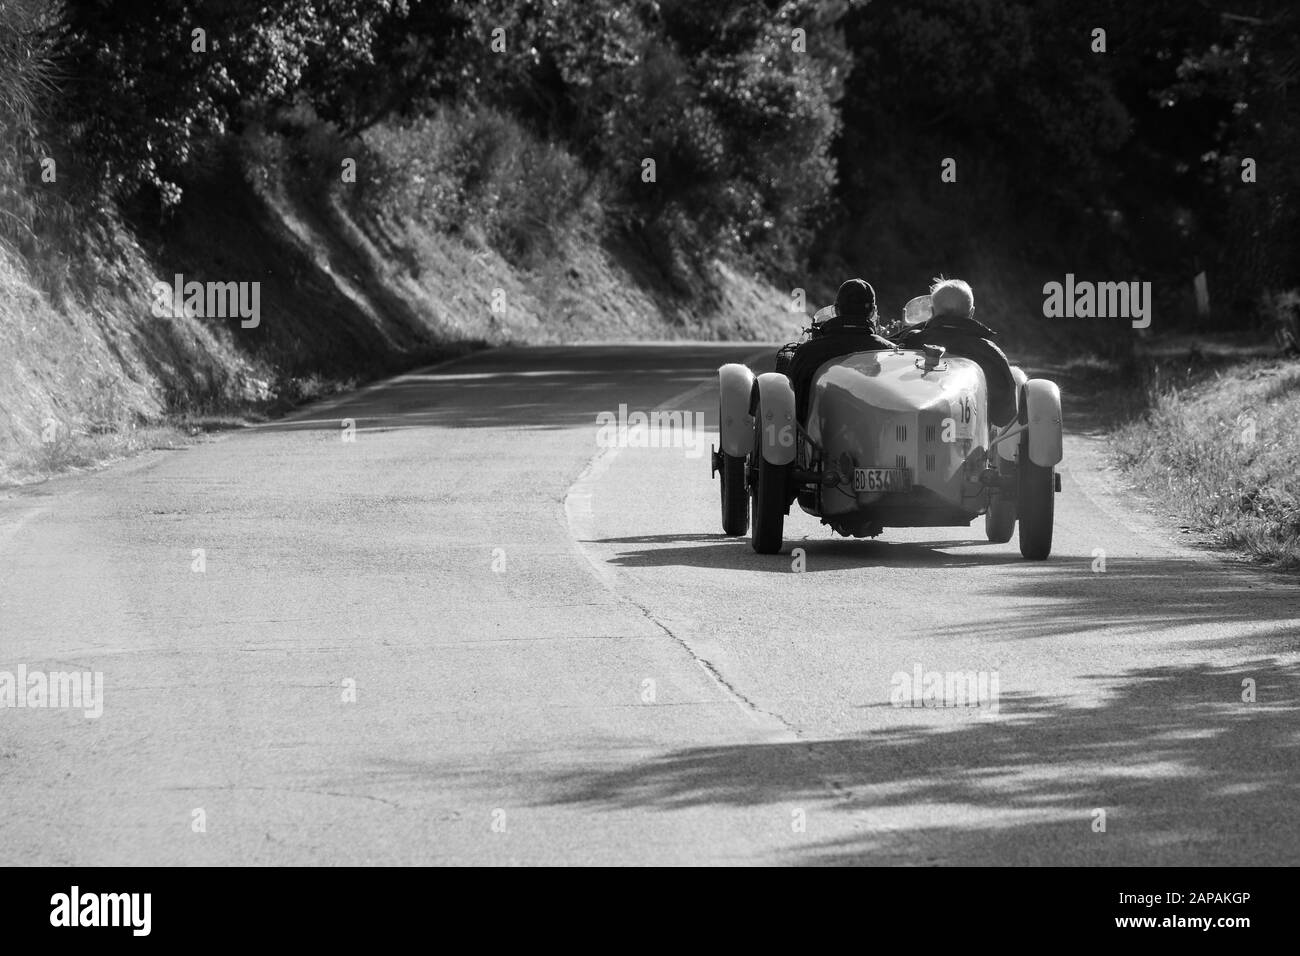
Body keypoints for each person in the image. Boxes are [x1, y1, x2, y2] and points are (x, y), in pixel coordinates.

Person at [894, 278, 1017, 427]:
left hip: (913, 435)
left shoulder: (910, 343)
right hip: (972, 445)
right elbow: (1005, 417)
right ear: (971, 312)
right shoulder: (990, 354)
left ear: (932, 312)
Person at [779, 278, 895, 422]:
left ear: (836, 310)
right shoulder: (891, 353)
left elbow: (788, 409)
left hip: (816, 440)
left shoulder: (806, 353)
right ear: (872, 312)